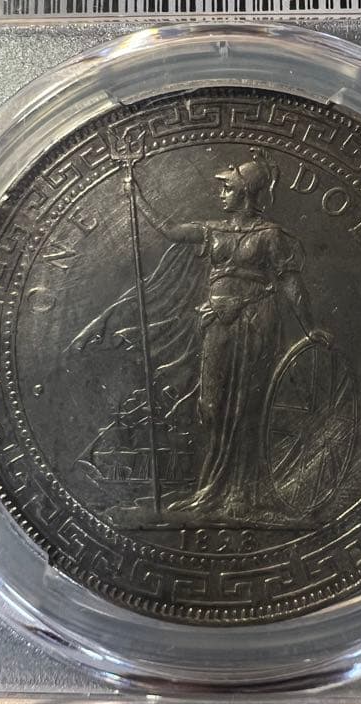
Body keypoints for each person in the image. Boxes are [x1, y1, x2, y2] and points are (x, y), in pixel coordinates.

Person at [71, 148, 329, 521]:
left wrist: (309, 327)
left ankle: (242, 493)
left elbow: (291, 284)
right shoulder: (213, 230)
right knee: (211, 406)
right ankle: (211, 490)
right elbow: (170, 231)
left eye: (227, 188)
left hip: (256, 318)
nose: (220, 194)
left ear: (246, 192)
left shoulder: (271, 235)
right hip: (216, 321)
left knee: (247, 404)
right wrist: (135, 195)